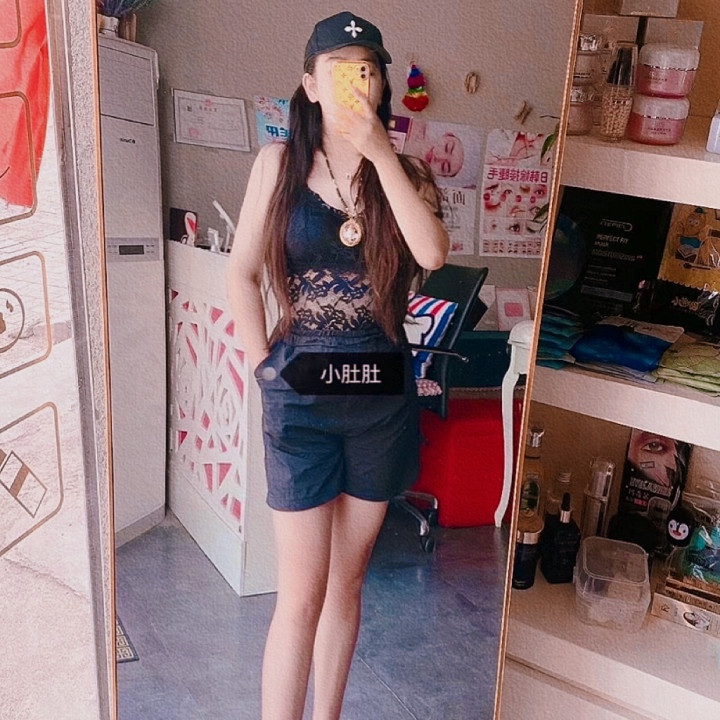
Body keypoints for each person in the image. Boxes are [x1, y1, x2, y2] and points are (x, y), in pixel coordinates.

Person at [226, 11, 449, 720]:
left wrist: (381, 154)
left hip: (380, 402)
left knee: (346, 586)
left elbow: (432, 254)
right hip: (300, 401)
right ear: (310, 84)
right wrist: (262, 365)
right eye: (341, 68)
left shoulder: (405, 174)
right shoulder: (278, 165)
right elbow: (241, 273)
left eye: (370, 68)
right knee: (301, 594)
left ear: (381, 84)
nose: (359, 80)